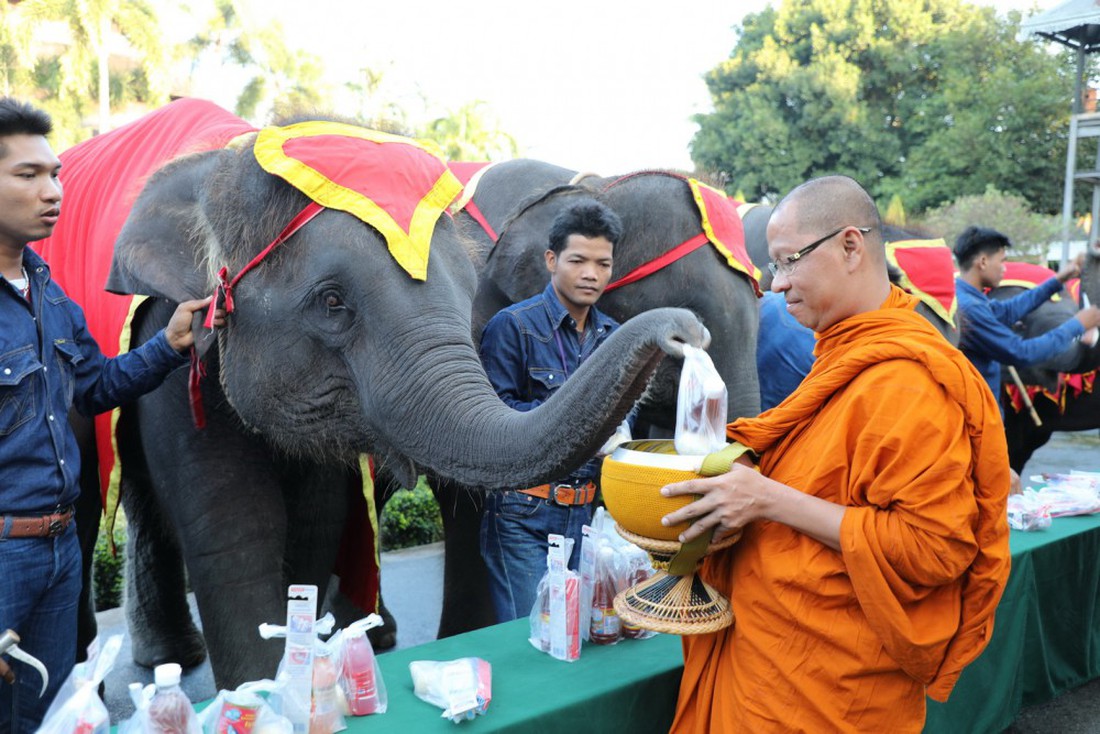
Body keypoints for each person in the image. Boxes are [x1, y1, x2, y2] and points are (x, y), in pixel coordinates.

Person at [660, 176, 1011, 733]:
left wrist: (768, 498)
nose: (776, 285)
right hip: (772, 656)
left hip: (829, 687)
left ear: (850, 246)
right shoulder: (847, 353)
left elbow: (934, 549)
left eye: (787, 261)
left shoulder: (906, 380)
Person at [0, 98, 216, 733]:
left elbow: (93, 388)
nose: (53, 191)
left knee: (53, 713)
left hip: (61, 548)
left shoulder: (48, 294)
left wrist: (168, 344)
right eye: (29, 175)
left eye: (56, 173)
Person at [478, 200, 624, 623]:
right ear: (551, 260)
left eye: (603, 263)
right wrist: (584, 430)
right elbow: (496, 416)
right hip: (523, 511)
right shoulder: (513, 326)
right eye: (577, 260)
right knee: (534, 633)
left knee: (580, 629)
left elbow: (621, 414)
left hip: (585, 511)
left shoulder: (612, 336)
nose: (591, 274)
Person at [954, 225, 1100, 402]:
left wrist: (1060, 278)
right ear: (983, 262)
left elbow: (1008, 311)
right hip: (978, 413)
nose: (1004, 268)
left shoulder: (966, 296)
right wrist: (1077, 325)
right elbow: (1021, 352)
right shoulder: (971, 309)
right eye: (1001, 261)